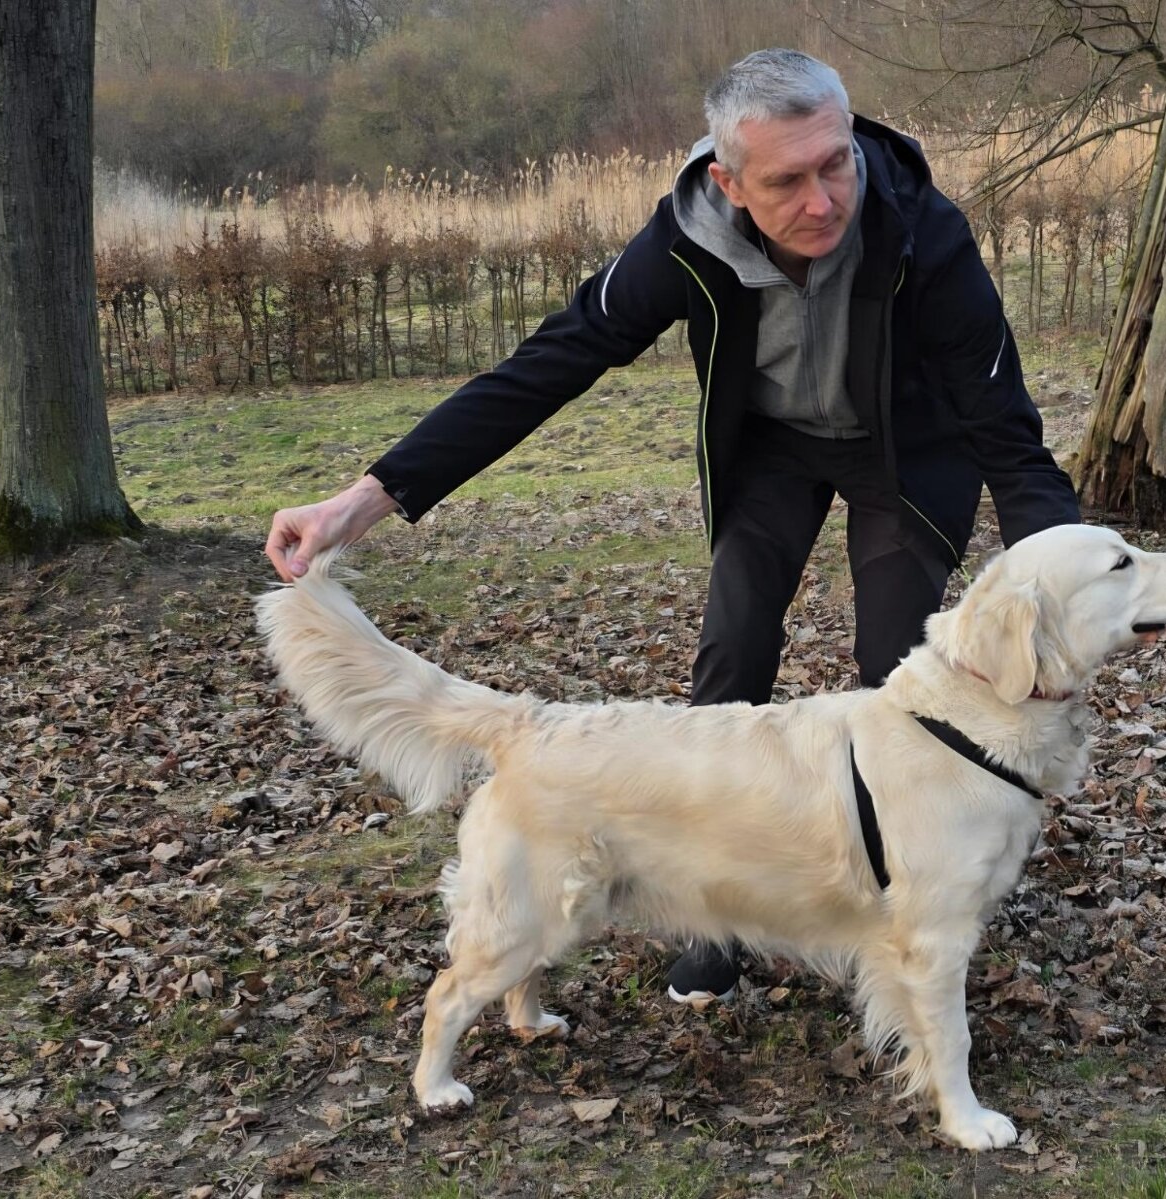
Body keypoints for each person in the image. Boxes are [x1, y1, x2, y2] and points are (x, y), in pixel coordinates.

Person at [265, 49, 1080, 1006]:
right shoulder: (684, 241)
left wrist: (1070, 590)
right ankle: (722, 909)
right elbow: (549, 365)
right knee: (731, 653)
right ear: (729, 181)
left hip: (902, 453)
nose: (823, 201)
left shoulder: (925, 235)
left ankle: (910, 893)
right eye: (788, 180)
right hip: (772, 448)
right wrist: (367, 497)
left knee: (894, 665)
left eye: (836, 164)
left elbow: (1007, 437)